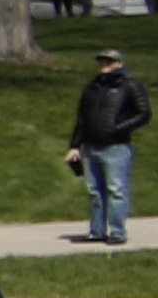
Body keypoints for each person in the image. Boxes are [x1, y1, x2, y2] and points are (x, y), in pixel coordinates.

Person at [64, 47, 151, 246]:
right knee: (94, 191)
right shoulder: (93, 87)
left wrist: (118, 128)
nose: (104, 65)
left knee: (116, 190)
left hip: (116, 147)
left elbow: (144, 113)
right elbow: (82, 119)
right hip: (91, 146)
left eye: (109, 62)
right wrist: (74, 146)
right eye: (102, 61)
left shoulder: (129, 85)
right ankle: (96, 231)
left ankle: (117, 232)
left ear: (120, 64)